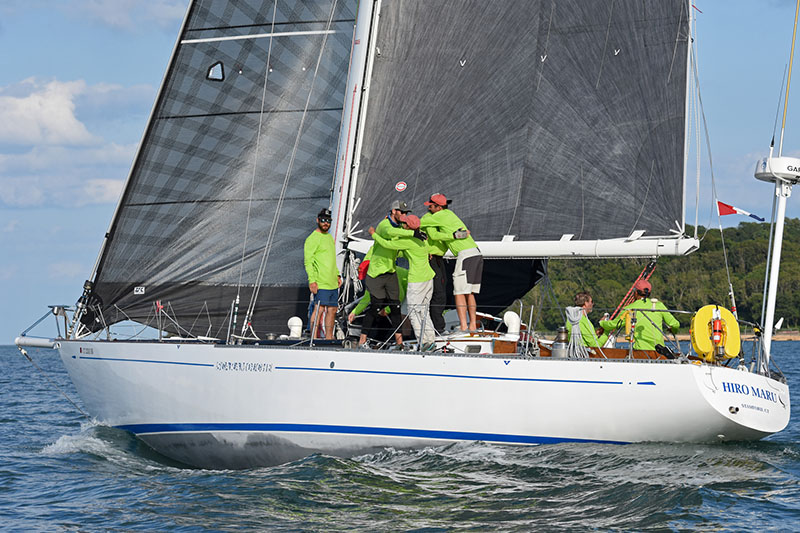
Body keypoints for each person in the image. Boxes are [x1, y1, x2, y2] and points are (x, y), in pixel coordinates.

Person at [370, 214, 436, 349]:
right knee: (424, 311)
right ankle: (430, 341)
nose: (402, 225)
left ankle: (423, 343)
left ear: (407, 227)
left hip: (417, 280)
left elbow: (387, 244)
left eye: (404, 224)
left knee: (413, 311)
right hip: (429, 278)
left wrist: (374, 234)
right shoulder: (422, 237)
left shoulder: (409, 240)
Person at [419, 193, 482, 332]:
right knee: (469, 293)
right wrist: (455, 235)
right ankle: (471, 326)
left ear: (438, 207)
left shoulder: (437, 216)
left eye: (431, 205)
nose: (429, 207)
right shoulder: (450, 214)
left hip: (465, 255)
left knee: (459, 292)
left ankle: (464, 327)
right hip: (476, 253)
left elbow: (419, 224)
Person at [360, 200, 415, 347]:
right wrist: (413, 232)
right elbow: (392, 233)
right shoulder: (384, 225)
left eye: (406, 213)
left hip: (390, 272)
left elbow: (400, 248)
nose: (404, 215)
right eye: (401, 212)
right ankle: (362, 341)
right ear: (393, 211)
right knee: (375, 307)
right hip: (376, 273)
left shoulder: (399, 227)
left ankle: (400, 344)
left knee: (396, 307)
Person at [599, 280, 679, 351]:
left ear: (636, 292)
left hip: (640, 351)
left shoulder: (629, 308)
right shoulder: (659, 305)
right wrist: (673, 330)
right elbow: (675, 324)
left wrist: (602, 322)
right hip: (659, 351)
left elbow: (613, 325)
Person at [303, 208, 341, 339]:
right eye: (323, 220)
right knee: (319, 309)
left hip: (332, 282)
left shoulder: (329, 237)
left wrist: (337, 274)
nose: (326, 223)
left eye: (328, 221)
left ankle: (329, 338)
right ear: (317, 220)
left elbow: (331, 258)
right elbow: (308, 262)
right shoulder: (312, 238)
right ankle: (313, 338)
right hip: (321, 281)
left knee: (332, 310)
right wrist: (312, 280)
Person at [421, 209, 448, 333]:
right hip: (431, 258)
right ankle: (437, 328)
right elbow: (430, 235)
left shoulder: (441, 218)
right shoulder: (428, 219)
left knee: (440, 292)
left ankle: (435, 326)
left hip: (439, 259)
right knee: (437, 294)